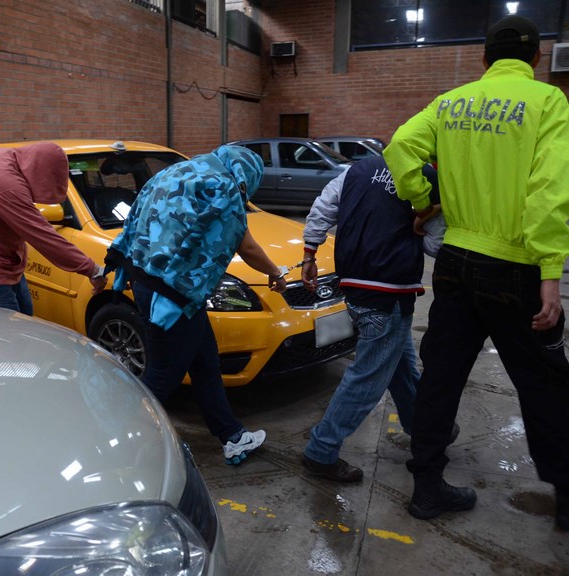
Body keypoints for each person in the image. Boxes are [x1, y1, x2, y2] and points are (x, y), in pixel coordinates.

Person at [384, 15, 569, 526]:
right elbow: (550, 192)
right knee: (543, 383)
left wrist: (426, 199)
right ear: (535, 59)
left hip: (455, 262)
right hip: (515, 269)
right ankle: (566, 496)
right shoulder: (548, 102)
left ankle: (426, 487)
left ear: (484, 59)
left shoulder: (450, 102)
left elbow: (399, 146)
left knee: (441, 377)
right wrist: (550, 271)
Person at [104, 145, 287, 465]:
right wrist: (275, 272)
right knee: (161, 376)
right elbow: (246, 246)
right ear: (246, 175)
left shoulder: (177, 173)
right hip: (174, 297)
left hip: (149, 281)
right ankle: (115, 443)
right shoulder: (224, 189)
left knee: (205, 364)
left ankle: (232, 436)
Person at [299, 156, 455, 482]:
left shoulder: (358, 169)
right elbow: (434, 245)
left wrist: (310, 253)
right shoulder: (429, 179)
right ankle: (321, 449)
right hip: (390, 291)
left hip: (354, 285)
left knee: (399, 364)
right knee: (368, 376)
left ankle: (423, 427)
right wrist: (421, 224)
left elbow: (323, 207)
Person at [0, 142, 106, 314]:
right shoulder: (5, 184)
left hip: (4, 265)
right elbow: (42, 236)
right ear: (38, 173)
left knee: (25, 321)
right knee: (10, 337)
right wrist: (92, 270)